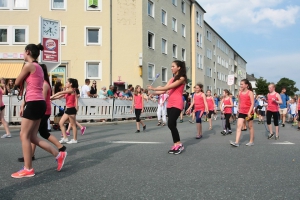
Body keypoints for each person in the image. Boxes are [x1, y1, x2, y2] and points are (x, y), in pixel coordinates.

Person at [12, 43, 67, 178]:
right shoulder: (39, 68)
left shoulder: (29, 66)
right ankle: (58, 154)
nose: (23, 55)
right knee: (32, 136)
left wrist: (22, 76)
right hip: (40, 103)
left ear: (28, 52)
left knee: (23, 135)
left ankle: (28, 168)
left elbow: (16, 82)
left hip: (33, 102)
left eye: (24, 53)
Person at [17, 64, 67, 162]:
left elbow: (41, 99)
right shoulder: (41, 83)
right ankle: (60, 148)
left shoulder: (43, 84)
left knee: (33, 134)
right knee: (42, 133)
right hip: (43, 110)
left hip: (43, 110)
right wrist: (23, 105)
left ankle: (31, 155)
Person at [148, 60, 187, 155]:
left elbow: (166, 88)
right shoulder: (171, 79)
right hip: (170, 104)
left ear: (179, 68)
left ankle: (179, 144)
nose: (171, 68)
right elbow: (164, 91)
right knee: (172, 124)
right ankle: (176, 144)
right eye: (171, 66)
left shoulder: (182, 78)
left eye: (173, 66)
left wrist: (154, 88)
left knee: (170, 124)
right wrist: (152, 93)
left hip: (177, 103)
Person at [51, 78, 79, 144]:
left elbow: (60, 92)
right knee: (61, 123)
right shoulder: (67, 91)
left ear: (70, 84)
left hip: (71, 109)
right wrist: (51, 98)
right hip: (67, 109)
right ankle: (65, 138)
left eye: (67, 82)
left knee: (73, 125)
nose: (66, 83)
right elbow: (59, 96)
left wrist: (51, 96)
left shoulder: (72, 90)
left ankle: (74, 139)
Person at [230, 79, 255, 147]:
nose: (240, 85)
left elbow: (252, 103)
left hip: (249, 112)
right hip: (242, 111)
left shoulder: (250, 92)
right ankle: (237, 142)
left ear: (246, 85)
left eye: (242, 84)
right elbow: (240, 101)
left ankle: (251, 141)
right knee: (239, 126)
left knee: (250, 126)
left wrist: (249, 112)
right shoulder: (240, 92)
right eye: (240, 84)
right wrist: (238, 108)